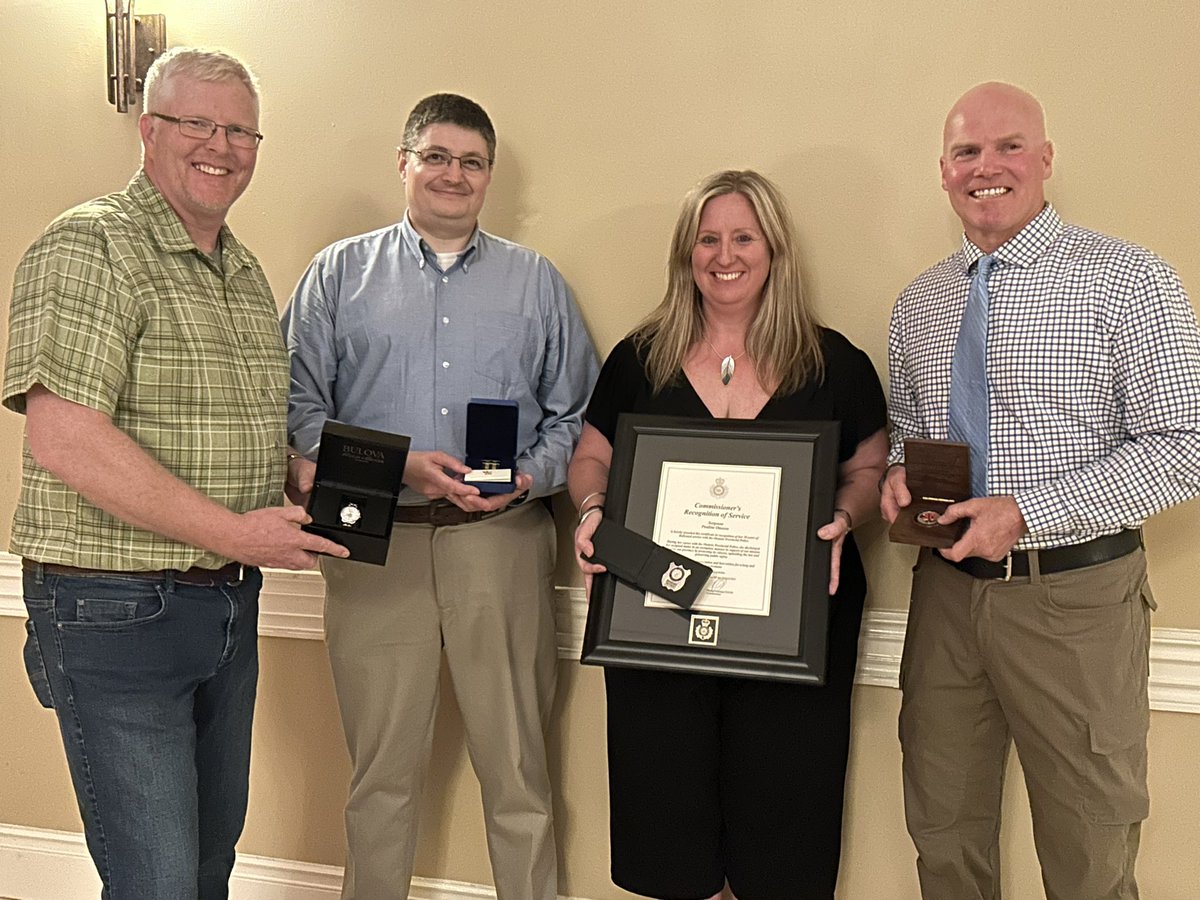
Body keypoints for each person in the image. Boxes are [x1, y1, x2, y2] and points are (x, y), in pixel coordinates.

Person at [3, 47, 348, 899]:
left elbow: (218, 423)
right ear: (149, 129)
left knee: (203, 867)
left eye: (240, 130)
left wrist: (293, 476)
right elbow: (66, 437)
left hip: (223, 602)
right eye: (199, 123)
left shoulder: (239, 269)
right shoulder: (92, 245)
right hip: (114, 611)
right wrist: (236, 531)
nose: (222, 146)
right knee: (156, 882)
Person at [883, 81, 1200, 900]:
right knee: (943, 833)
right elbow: (907, 427)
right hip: (946, 600)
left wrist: (1028, 513)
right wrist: (893, 476)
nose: (987, 167)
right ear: (944, 172)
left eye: (1009, 146)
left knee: (1091, 853)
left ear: (1046, 159)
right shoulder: (919, 304)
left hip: (1075, 602)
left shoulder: (1129, 281)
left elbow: (1185, 445)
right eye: (966, 152)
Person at [282, 92, 598, 900]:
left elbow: (578, 416)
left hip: (503, 542)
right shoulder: (337, 274)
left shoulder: (537, 284)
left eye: (471, 161)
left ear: (489, 176)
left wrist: (531, 475)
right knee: (380, 777)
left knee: (518, 768)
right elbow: (294, 409)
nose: (453, 174)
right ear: (405, 163)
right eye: (436, 156)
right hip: (372, 543)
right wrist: (398, 467)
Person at [568, 169, 888, 900]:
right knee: (670, 828)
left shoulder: (833, 362)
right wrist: (591, 512)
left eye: (743, 237)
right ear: (686, 253)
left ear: (775, 248)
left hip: (793, 633)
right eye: (707, 239)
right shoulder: (639, 357)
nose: (725, 254)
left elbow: (868, 469)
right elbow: (591, 456)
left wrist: (847, 515)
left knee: (786, 828)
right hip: (656, 629)